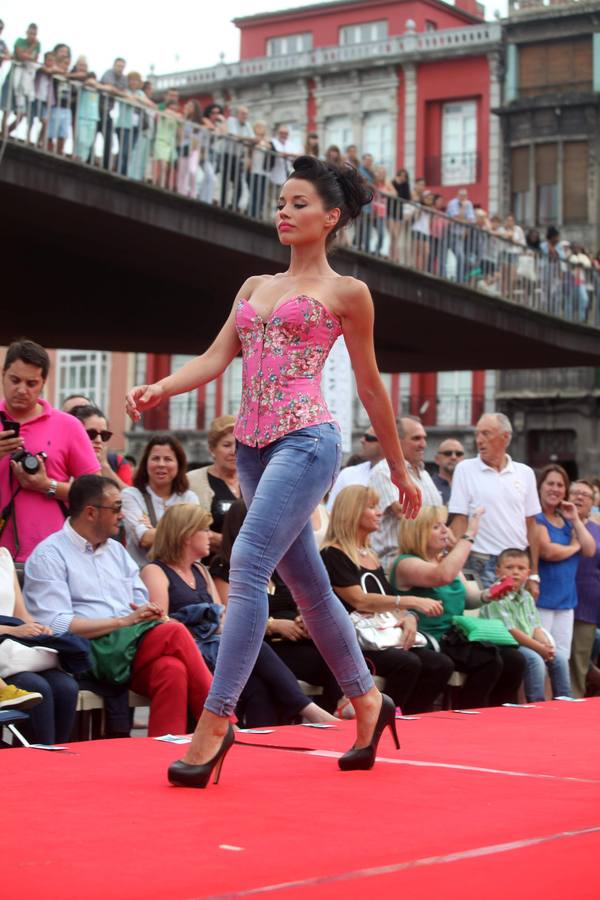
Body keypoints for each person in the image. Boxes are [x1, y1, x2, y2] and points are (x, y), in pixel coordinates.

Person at [126, 153, 420, 786]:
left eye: (298, 204)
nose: (284, 213)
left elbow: (370, 387)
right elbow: (212, 358)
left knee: (249, 561)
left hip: (308, 442)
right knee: (310, 588)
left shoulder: (349, 293)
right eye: (281, 203)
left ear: (331, 217)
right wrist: (161, 389)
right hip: (256, 447)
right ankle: (368, 700)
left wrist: (398, 468)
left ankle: (218, 718)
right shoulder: (253, 287)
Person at [24, 475, 213, 738]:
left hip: (129, 646)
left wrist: (148, 613)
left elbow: (139, 601)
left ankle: (163, 758)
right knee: (175, 632)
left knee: (172, 670)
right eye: (115, 507)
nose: (122, 515)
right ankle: (220, 720)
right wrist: (124, 622)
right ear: (91, 512)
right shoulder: (49, 555)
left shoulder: (116, 551)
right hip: (86, 651)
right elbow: (57, 626)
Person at [143, 504, 336, 726]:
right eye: (204, 530)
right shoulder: (155, 571)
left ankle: (260, 748)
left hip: (216, 649)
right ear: (186, 535)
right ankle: (308, 709)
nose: (211, 536)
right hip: (190, 652)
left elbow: (222, 617)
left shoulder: (200, 570)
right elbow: (162, 625)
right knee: (252, 644)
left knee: (259, 687)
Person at [321, 486, 454, 714]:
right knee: (407, 663)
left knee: (441, 664)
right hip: (355, 640)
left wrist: (409, 617)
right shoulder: (332, 554)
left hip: (382, 633)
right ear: (352, 512)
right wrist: (411, 602)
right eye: (372, 507)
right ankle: (382, 715)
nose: (380, 512)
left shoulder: (371, 555)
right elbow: (360, 600)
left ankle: (413, 715)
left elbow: (386, 599)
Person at [210, 498, 343, 713]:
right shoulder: (225, 565)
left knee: (333, 649)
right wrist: (274, 625)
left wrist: (304, 620)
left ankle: (334, 713)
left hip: (294, 641)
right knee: (322, 661)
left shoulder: (278, 562)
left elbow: (299, 600)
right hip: (263, 645)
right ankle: (328, 714)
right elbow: (232, 619)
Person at [391, 507, 526, 709]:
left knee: (514, 659)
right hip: (427, 638)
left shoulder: (445, 561)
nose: (445, 530)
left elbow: (468, 599)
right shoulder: (405, 563)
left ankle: (498, 713)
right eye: (437, 527)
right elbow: (441, 576)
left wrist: (488, 594)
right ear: (418, 532)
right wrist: (469, 535)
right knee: (487, 660)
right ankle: (469, 713)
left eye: (445, 525)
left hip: (452, 637)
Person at [0, 340, 100, 562]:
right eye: (15, 380)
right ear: (3, 373)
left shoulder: (68, 426)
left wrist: (47, 486)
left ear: (44, 382)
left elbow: (96, 492)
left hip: (52, 556)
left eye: (31, 383)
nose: (22, 390)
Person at [448, 413, 541, 591]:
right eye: (477, 434)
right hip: (480, 562)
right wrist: (455, 566)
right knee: (485, 618)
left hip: (517, 563)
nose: (479, 440)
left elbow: (531, 524)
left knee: (515, 618)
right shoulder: (464, 469)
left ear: (505, 437)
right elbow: (459, 519)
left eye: (486, 434)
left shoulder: (525, 473)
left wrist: (534, 573)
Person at [0, 545, 78, 742]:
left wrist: (38, 629)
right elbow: (15, 626)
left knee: (66, 687)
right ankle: (36, 761)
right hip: (5, 648)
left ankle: (56, 760)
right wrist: (11, 630)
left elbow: (21, 615)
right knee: (37, 687)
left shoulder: (3, 555)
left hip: (14, 647)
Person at [478, 548, 571, 702]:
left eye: (521, 568)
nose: (515, 572)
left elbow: (535, 626)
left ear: (528, 573)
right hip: (505, 644)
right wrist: (539, 648)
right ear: (497, 571)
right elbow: (511, 631)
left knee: (559, 657)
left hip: (527, 642)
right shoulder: (495, 595)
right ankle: (536, 702)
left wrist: (546, 645)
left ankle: (565, 700)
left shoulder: (527, 596)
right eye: (509, 567)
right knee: (535, 660)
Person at [369, 416, 442, 575]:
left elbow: (438, 519)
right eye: (416, 438)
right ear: (396, 441)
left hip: (426, 561)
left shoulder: (425, 474)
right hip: (395, 565)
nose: (423, 444)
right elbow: (405, 513)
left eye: (424, 438)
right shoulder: (384, 472)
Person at [535, 465, 595, 658]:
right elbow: (548, 552)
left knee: (561, 658)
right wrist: (574, 546)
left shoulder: (568, 520)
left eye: (560, 485)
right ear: (540, 487)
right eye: (550, 483)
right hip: (542, 600)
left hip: (566, 602)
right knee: (543, 657)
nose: (555, 489)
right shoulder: (536, 517)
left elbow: (590, 549)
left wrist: (576, 519)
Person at [121, 435, 198, 567]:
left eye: (168, 459)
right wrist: (180, 531)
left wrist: (156, 529)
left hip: (181, 576)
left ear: (179, 464)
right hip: (142, 578)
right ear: (146, 463)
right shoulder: (131, 496)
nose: (161, 464)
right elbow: (144, 539)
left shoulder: (189, 498)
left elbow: (195, 539)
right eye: (156, 458)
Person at [187, 416, 240, 559]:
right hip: (208, 566)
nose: (234, 451)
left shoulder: (255, 481)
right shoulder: (192, 481)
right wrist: (240, 547)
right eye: (226, 445)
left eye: (238, 445)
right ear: (212, 449)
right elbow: (190, 529)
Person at [569, 480, 600, 697]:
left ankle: (576, 700)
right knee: (557, 655)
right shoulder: (557, 523)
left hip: (587, 600)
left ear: (592, 503)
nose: (579, 497)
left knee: (579, 658)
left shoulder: (597, 530)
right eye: (575, 493)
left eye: (585, 495)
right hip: (557, 596)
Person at [69, 404, 133, 489]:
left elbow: (129, 499)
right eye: (91, 434)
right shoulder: (58, 462)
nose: (99, 440)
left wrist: (103, 465)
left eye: (104, 435)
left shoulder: (118, 462)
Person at [327, 425, 384, 512]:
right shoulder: (347, 474)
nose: (362, 440)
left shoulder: (401, 475)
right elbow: (331, 512)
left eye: (368, 438)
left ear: (385, 443)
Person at [99, 57, 128, 170]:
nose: (120, 68)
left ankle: (106, 165)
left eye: (122, 67)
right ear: (114, 65)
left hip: (107, 111)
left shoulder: (123, 79)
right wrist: (118, 92)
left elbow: (124, 92)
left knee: (109, 139)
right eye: (118, 66)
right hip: (98, 108)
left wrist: (117, 92)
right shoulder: (108, 73)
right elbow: (110, 88)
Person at [176, 99, 203, 198]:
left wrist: (190, 137)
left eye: (191, 106)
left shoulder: (199, 123)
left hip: (194, 149)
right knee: (182, 172)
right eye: (188, 106)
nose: (189, 108)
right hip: (184, 146)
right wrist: (184, 116)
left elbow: (198, 138)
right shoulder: (185, 120)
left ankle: (193, 194)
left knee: (192, 171)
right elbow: (180, 134)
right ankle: (181, 193)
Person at [432, 439, 465, 505]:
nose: (454, 457)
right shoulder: (429, 485)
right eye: (448, 453)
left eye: (458, 454)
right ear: (437, 459)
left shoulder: (470, 484)